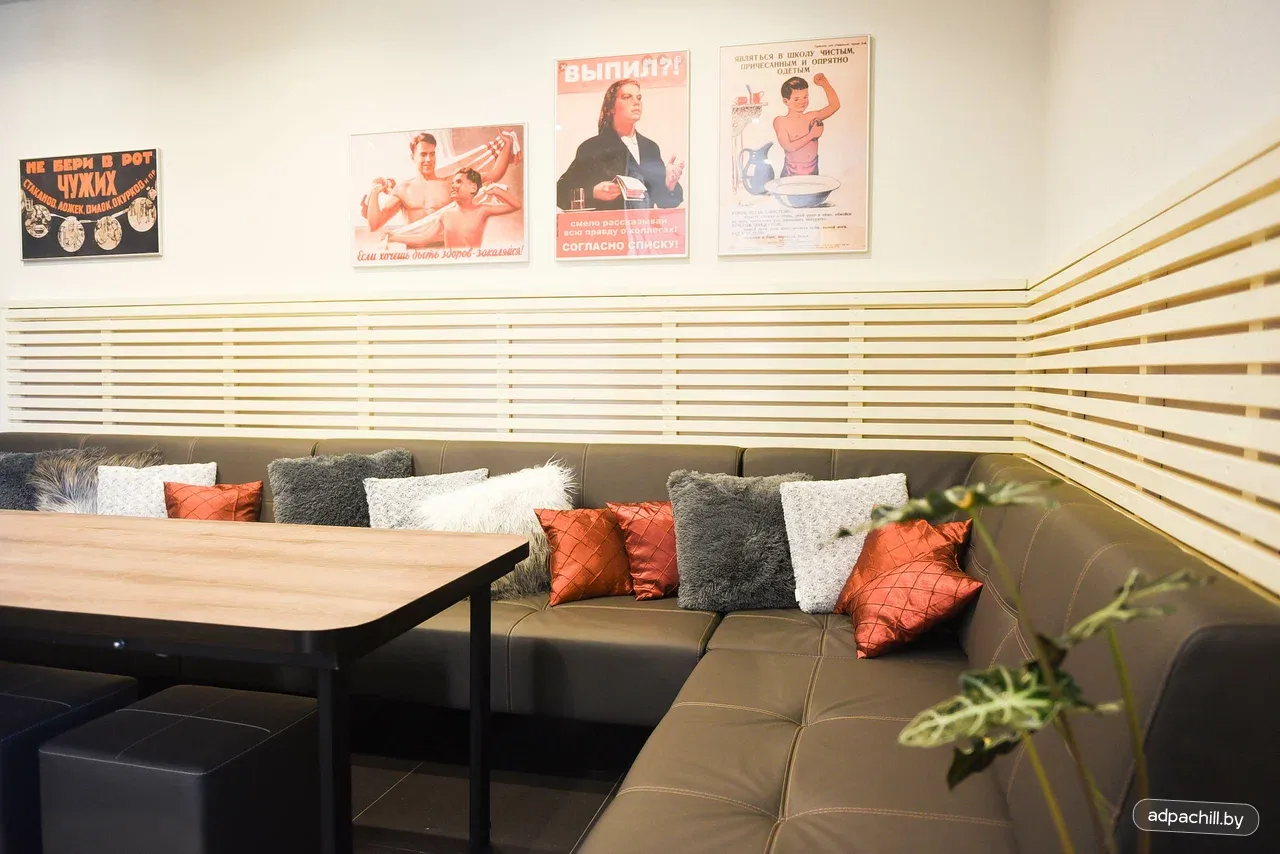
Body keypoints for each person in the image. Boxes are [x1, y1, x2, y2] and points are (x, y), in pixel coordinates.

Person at [364, 131, 515, 247]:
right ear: (413, 157)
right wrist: (375, 192)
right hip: (415, 255)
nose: (428, 159)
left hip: (444, 252)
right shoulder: (403, 190)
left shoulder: (451, 184)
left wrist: (508, 144)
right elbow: (374, 224)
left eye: (432, 154)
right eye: (423, 154)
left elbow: (494, 174)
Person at [556, 78, 684, 211]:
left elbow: (665, 202)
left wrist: (669, 184)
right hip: (607, 223)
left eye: (639, 98)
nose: (636, 102)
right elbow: (560, 192)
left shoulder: (650, 148)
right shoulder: (591, 148)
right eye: (627, 97)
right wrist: (593, 192)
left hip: (643, 224)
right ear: (611, 107)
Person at [773, 73, 840, 177]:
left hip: (813, 169)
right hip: (791, 172)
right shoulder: (780, 121)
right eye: (796, 99)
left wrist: (825, 83)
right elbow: (788, 147)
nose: (802, 102)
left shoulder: (811, 116)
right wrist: (811, 135)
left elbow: (834, 105)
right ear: (786, 101)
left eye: (805, 97)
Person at [440, 168, 521, 249]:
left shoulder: (482, 210)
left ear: (473, 188)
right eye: (452, 183)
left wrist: (496, 191)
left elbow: (516, 206)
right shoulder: (445, 215)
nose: (453, 186)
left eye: (459, 182)